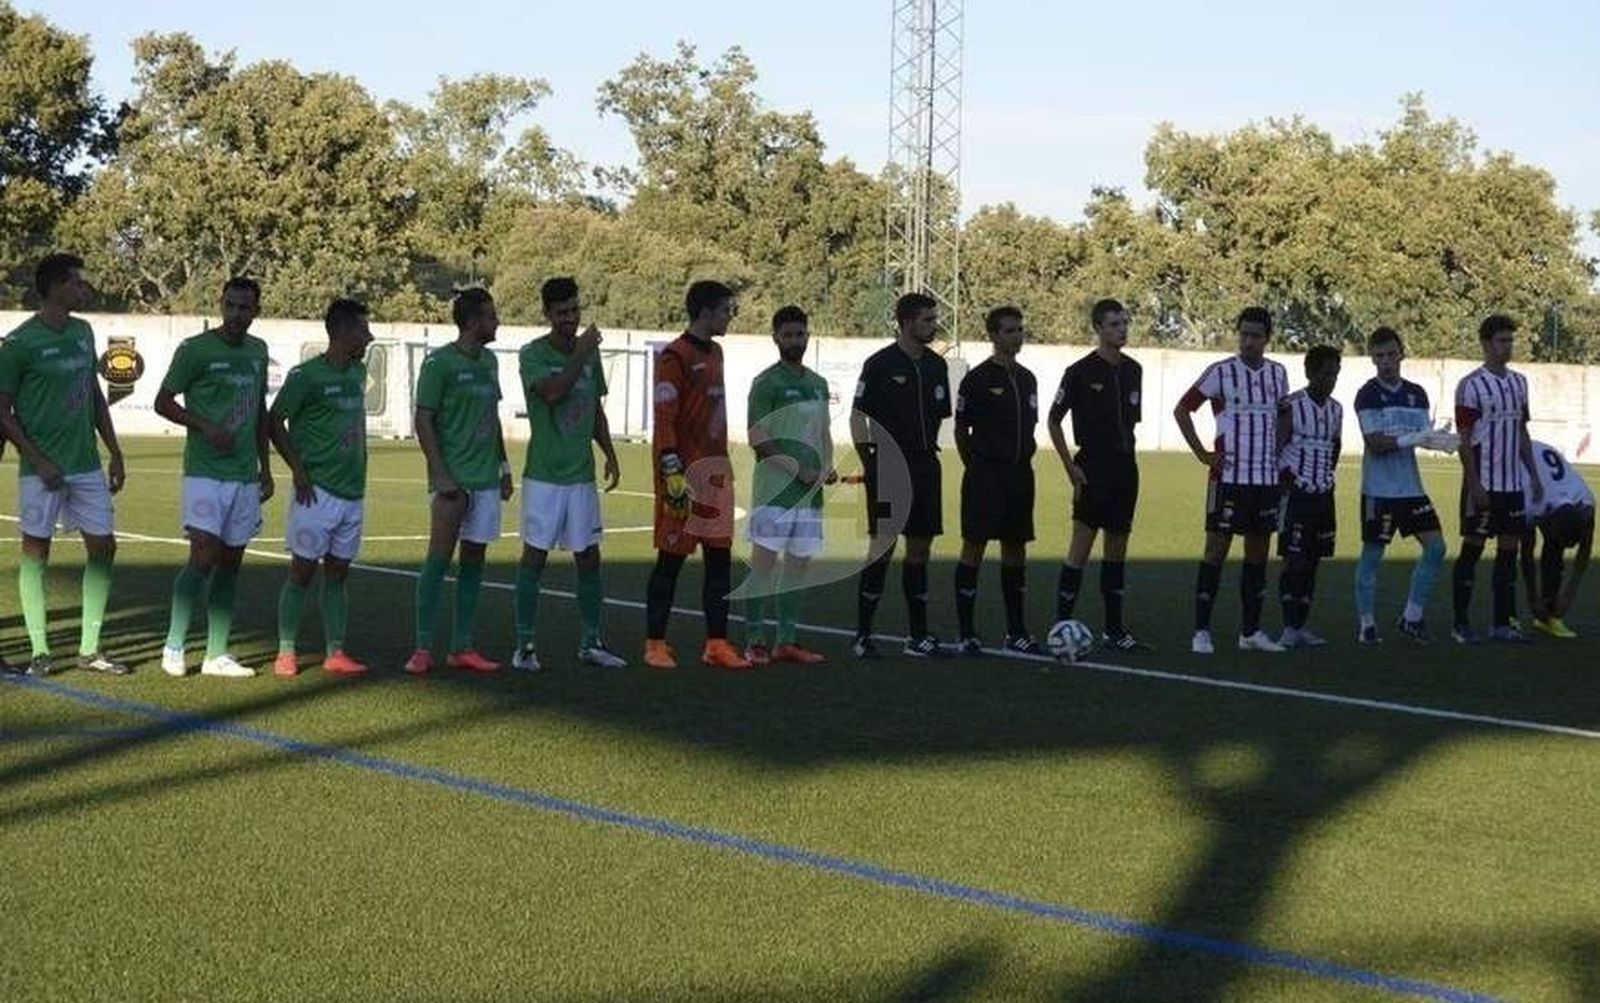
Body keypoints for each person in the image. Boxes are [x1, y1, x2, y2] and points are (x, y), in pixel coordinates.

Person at [0, 253, 130, 677]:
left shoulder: (83, 331)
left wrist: (114, 449)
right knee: (36, 551)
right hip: (41, 470)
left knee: (104, 547)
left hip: (86, 464)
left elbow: (93, 393)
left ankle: (89, 649)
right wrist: (36, 459)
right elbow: (2, 411)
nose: (83, 288)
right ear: (55, 287)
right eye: (76, 282)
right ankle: (40, 651)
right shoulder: (19, 344)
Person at [155, 277, 275, 678]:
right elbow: (163, 401)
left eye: (245, 308)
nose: (237, 314)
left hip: (244, 475)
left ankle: (216, 654)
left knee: (231, 563)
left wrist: (266, 467)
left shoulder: (259, 351)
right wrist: (204, 425)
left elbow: (259, 412)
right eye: (231, 306)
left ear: (256, 311)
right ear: (220, 305)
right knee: (203, 556)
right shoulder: (195, 349)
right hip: (205, 471)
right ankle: (174, 645)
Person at [511, 277, 626, 671]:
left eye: (574, 310)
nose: (570, 318)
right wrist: (582, 351)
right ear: (546, 314)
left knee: (589, 557)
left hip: (581, 475)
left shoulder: (587, 355)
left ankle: (591, 642)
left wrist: (609, 452)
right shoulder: (532, 355)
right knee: (535, 557)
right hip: (544, 475)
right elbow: (554, 392)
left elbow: (595, 410)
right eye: (562, 312)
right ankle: (525, 646)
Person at [403, 288, 514, 675]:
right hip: (453, 481)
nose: (497, 322)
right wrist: (440, 472)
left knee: (474, 559)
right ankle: (421, 646)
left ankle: (462, 646)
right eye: (491, 316)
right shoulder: (439, 364)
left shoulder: (491, 361)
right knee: (438, 558)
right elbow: (423, 419)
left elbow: (493, 417)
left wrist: (503, 467)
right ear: (472, 322)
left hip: (485, 478)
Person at [643, 280, 750, 670]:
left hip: (716, 474)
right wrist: (670, 468)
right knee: (670, 560)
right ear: (705, 311)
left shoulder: (717, 352)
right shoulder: (675, 355)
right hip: (684, 475)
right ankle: (655, 643)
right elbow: (664, 415)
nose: (730, 316)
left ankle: (716, 644)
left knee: (719, 560)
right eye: (726, 310)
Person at [267, 298, 374, 677]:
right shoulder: (305, 376)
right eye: (363, 330)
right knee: (302, 571)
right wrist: (297, 468)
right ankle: (285, 651)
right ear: (343, 333)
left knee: (339, 572)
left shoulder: (358, 373)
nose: (369, 336)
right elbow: (274, 421)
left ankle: (335, 651)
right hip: (317, 490)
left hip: (352, 490)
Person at [1174, 306, 1290, 654]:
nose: (1248, 342)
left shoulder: (1278, 373)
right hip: (1227, 478)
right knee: (1215, 551)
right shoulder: (1221, 372)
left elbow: (1284, 414)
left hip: (1265, 480)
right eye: (1244, 335)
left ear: (1267, 338)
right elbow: (1183, 409)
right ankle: (1201, 631)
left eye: (1255, 336)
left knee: (1257, 555)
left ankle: (1250, 632)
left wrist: (1278, 449)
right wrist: (1203, 455)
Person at [850, 292, 953, 658]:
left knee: (920, 549)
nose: (932, 325)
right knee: (882, 547)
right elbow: (857, 416)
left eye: (932, 319)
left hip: (927, 465)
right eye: (926, 320)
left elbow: (940, 415)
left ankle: (918, 636)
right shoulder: (878, 364)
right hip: (889, 466)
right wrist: (870, 461)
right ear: (907, 322)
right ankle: (863, 635)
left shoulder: (936, 366)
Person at [1047, 298, 1149, 650]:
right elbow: (1053, 420)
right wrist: (1070, 466)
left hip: (1125, 468)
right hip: (1092, 467)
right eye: (1114, 324)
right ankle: (1060, 625)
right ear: (1098, 329)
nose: (1122, 330)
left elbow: (1129, 422)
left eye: (1124, 323)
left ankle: (1115, 630)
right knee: (1081, 544)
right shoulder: (1079, 372)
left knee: (1117, 545)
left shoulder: (1134, 370)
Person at [742, 305, 833, 665]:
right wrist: (798, 470)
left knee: (798, 567)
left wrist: (825, 467)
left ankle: (787, 640)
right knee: (763, 565)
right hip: (774, 493)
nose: (796, 340)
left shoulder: (818, 383)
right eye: (789, 334)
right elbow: (757, 437)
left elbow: (824, 433)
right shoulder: (766, 383)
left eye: (801, 334)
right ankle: (754, 640)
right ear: (776, 338)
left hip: (810, 496)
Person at [952, 305, 1043, 655]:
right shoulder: (976, 380)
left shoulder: (1027, 378)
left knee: (1015, 547)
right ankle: (966, 632)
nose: (1016, 336)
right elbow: (962, 429)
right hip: (985, 475)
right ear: (993, 335)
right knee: (974, 545)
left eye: (1020, 329)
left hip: (1021, 474)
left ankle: (1016, 632)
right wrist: (974, 466)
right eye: (1009, 330)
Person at [1351, 327, 1449, 644]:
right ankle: (1366, 625)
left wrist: (1442, 441)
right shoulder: (1367, 394)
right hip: (1378, 491)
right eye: (1379, 356)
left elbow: (1423, 435)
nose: (1386, 362)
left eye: (1391, 354)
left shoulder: (1417, 393)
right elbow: (1376, 443)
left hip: (1411, 489)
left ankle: (1412, 617)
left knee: (1436, 548)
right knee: (1372, 555)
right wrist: (1416, 437)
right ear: (1372, 358)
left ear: (1401, 353)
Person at [1452, 314, 1541, 644]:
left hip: (1512, 485)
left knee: (1508, 553)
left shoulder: (1519, 383)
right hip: (1483, 482)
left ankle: (1501, 624)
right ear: (1486, 344)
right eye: (1502, 341)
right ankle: (1460, 624)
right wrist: (1473, 484)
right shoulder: (1471, 385)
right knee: (1472, 551)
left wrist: (1533, 475)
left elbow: (1521, 431)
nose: (1508, 347)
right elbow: (1464, 438)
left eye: (1510, 340)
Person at [1275, 345, 1343, 648]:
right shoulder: (1290, 405)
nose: (1331, 379)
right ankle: (1288, 626)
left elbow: (1335, 447)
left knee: (1315, 560)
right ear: (1310, 373)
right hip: (1296, 495)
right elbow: (1276, 448)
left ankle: (1301, 625)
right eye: (1326, 373)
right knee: (1295, 560)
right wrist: (1288, 481)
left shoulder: (1337, 409)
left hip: (1323, 494)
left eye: (1335, 374)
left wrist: (1326, 477)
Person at [1518, 440, 1594, 638]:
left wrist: (1568, 595)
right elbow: (1526, 554)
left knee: (1554, 553)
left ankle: (1549, 614)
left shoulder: (1585, 503)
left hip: (1551, 482)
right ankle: (1506, 618)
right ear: (1546, 522)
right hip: (1517, 457)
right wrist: (1532, 597)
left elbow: (1584, 551)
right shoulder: (1532, 503)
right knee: (1507, 546)